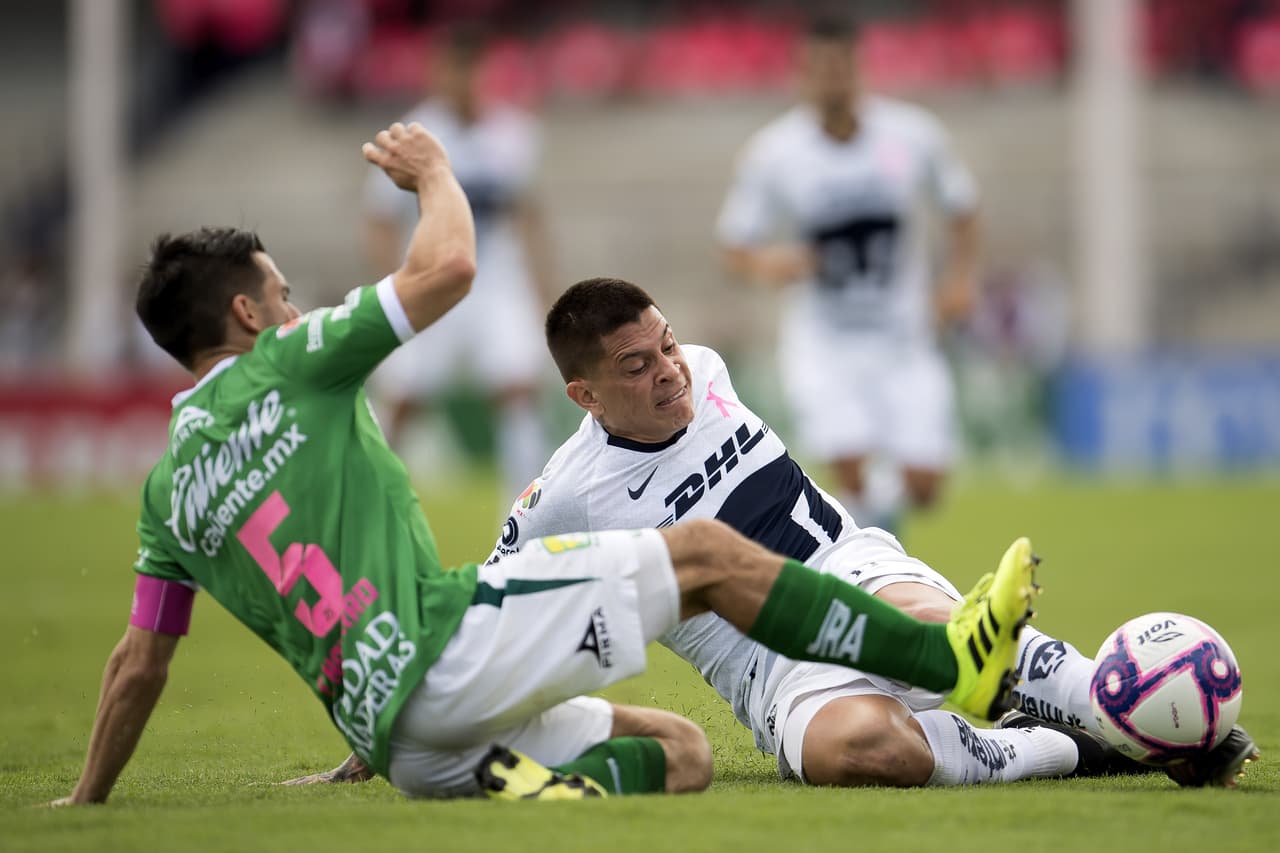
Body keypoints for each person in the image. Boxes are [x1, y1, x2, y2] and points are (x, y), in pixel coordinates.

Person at [50, 123, 1038, 806]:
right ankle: (947, 658)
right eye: (284, 292)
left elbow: (140, 662)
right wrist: (437, 174)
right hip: (445, 651)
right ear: (248, 315)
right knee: (699, 551)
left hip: (400, 743)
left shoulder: (164, 491)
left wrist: (88, 799)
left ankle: (536, 789)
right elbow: (445, 270)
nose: (298, 307)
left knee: (682, 754)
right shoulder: (286, 364)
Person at [298, 277, 1258, 790]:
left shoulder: (711, 371)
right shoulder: (563, 498)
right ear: (583, 394)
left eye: (669, 343)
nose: (670, 370)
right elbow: (480, 612)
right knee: (861, 754)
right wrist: (385, 723)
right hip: (772, 673)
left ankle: (1134, 720)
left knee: (941, 617)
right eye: (637, 365)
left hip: (853, 567)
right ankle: (1061, 750)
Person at [715, 15, 980, 533]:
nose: (833, 79)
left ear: (861, 68)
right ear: (802, 74)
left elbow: (962, 207)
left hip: (904, 335)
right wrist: (776, 264)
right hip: (825, 340)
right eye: (820, 69)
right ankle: (873, 574)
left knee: (925, 485)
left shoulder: (912, 135)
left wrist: (960, 280)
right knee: (850, 467)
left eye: (842, 67)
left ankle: (873, 525)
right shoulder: (777, 153)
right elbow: (735, 246)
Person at [364, 24, 552, 500]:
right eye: (453, 70)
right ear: (438, 74)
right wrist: (394, 286)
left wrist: (542, 290)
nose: (462, 80)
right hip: (431, 281)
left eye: (471, 69)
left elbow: (527, 214)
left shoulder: (514, 134)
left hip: (496, 281)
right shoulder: (412, 135)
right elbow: (381, 219)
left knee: (518, 388)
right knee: (406, 399)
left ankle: (522, 518)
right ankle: (364, 500)